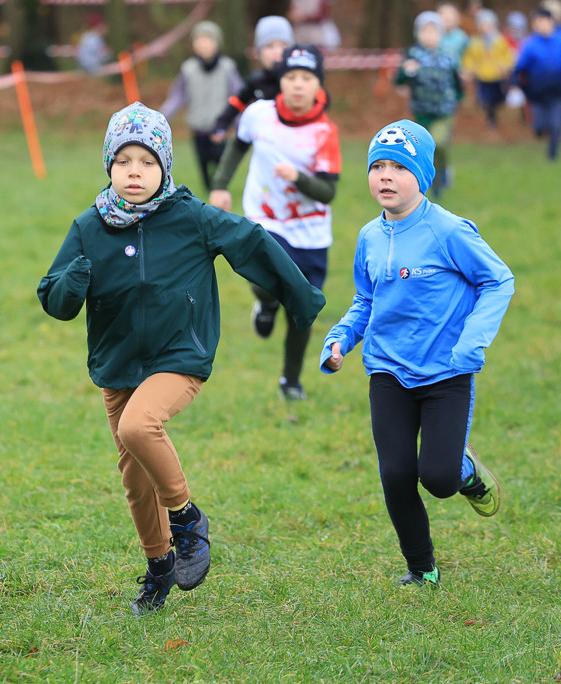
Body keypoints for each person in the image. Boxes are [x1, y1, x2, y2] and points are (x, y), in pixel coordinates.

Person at [37, 102, 325, 616]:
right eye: (123, 161)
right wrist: (70, 283)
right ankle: (159, 566)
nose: (134, 172)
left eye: (146, 162)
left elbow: (253, 241)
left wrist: (300, 299)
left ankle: (188, 520)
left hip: (179, 355)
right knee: (133, 477)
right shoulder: (90, 226)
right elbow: (54, 299)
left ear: (164, 167)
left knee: (138, 427)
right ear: (108, 165)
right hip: (117, 361)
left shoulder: (191, 217)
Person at [320, 120, 513, 587]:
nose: (385, 176)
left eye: (399, 168)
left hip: (447, 372)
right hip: (387, 371)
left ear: (422, 176)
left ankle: (464, 470)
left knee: (439, 479)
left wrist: (472, 342)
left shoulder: (448, 230)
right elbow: (366, 301)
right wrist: (341, 338)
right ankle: (421, 568)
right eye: (377, 167)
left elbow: (499, 280)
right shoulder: (368, 236)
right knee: (397, 474)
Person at [209, 45, 340, 401]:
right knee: (267, 278)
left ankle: (291, 382)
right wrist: (220, 186)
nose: (298, 85)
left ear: (318, 86)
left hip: (311, 231)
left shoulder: (325, 132)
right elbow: (238, 146)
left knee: (304, 308)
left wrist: (298, 177)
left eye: (306, 78)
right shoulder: (258, 114)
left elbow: (328, 193)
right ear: (280, 82)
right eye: (291, 77)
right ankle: (266, 302)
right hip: (265, 218)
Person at [159, 20, 244, 191]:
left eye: (208, 40)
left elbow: (238, 96)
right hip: (198, 129)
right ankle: (208, 190)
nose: (204, 44)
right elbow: (177, 97)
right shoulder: (188, 69)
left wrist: (240, 121)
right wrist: (160, 118)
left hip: (220, 129)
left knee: (220, 163)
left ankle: (220, 190)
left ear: (217, 43)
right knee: (204, 165)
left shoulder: (228, 68)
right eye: (200, 40)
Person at [395, 11, 463, 197]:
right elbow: (398, 80)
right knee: (424, 147)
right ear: (418, 33)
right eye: (425, 31)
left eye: (433, 31)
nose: (429, 35)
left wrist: (459, 99)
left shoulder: (448, 56)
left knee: (439, 142)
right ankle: (428, 180)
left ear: (440, 33)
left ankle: (442, 173)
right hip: (421, 111)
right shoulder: (412, 55)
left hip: (444, 110)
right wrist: (406, 72)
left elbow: (457, 81)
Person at [213, 15, 294, 137]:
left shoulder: (298, 81)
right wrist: (221, 125)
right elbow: (237, 103)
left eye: (283, 45)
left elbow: (319, 100)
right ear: (258, 52)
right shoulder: (256, 81)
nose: (277, 51)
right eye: (269, 46)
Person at [513, 7, 561, 160]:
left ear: (550, 21)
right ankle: (541, 131)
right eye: (537, 22)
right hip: (537, 92)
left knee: (555, 124)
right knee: (539, 125)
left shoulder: (559, 40)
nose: (540, 25)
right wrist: (517, 85)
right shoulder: (530, 44)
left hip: (557, 91)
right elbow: (520, 67)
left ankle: (552, 154)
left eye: (542, 21)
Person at [461, 9, 515, 129]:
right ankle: (490, 119)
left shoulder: (500, 40)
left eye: (487, 24)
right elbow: (469, 57)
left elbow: (507, 55)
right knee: (485, 99)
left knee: (497, 97)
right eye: (482, 24)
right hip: (482, 75)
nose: (485, 27)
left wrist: (506, 66)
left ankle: (496, 113)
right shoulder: (474, 41)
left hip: (496, 75)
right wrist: (469, 69)